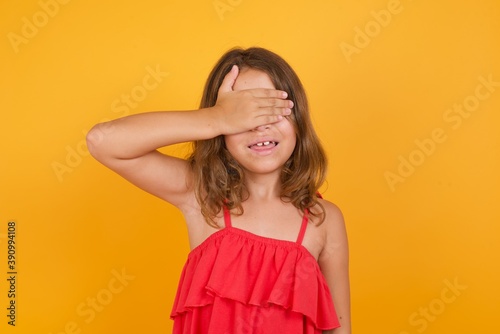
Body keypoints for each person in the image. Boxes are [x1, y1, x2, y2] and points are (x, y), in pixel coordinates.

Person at [87, 47, 351, 334]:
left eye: (272, 110)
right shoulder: (200, 196)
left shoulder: (323, 219)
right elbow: (103, 141)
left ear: (298, 118)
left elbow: (338, 328)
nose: (259, 126)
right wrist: (219, 118)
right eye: (243, 114)